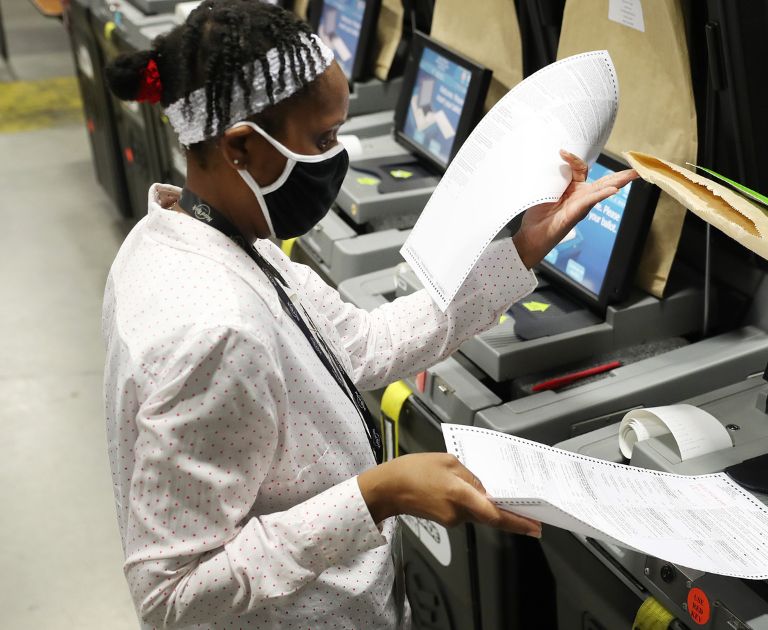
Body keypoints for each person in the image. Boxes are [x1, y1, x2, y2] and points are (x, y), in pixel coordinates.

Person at [100, 1, 636, 627]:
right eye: (322, 139)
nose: (337, 154)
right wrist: (377, 495)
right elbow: (174, 596)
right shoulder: (217, 331)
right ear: (242, 147)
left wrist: (522, 248)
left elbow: (363, 344)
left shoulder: (189, 234)